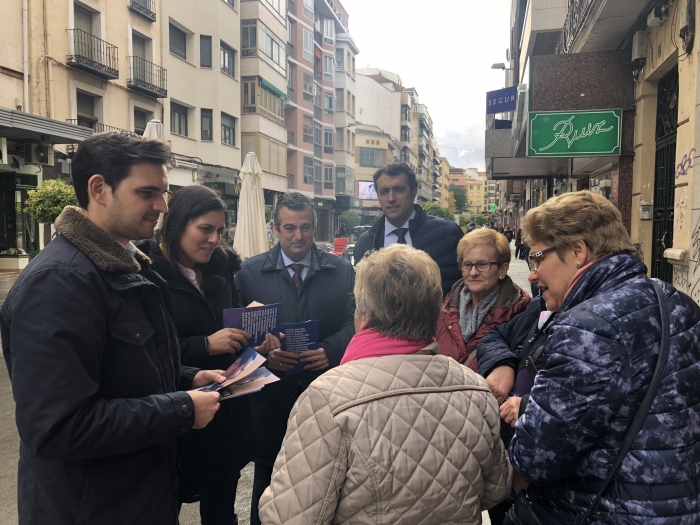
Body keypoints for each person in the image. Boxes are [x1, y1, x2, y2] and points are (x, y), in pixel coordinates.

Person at [0, 132, 223, 525]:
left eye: (164, 192)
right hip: (90, 508)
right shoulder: (59, 282)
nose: (162, 206)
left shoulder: (125, 265)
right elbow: (58, 428)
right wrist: (182, 408)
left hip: (137, 498)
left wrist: (186, 377)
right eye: (148, 193)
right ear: (99, 188)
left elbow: (122, 373)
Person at [259, 244, 512, 524]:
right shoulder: (475, 387)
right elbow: (496, 488)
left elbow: (291, 517)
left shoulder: (327, 397)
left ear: (364, 317)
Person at [508, 191, 700, 523]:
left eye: (538, 258)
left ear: (577, 252)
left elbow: (535, 457)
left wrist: (526, 413)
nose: (533, 274)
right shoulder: (677, 302)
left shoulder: (584, 327)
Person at [135, 186, 255, 525]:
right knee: (165, 502)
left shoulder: (222, 270)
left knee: (221, 507)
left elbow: (226, 327)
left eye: (219, 230)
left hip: (226, 405)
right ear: (176, 224)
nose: (215, 239)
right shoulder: (146, 273)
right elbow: (147, 348)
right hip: (174, 407)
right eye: (205, 229)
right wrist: (205, 345)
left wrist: (251, 340)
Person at [235, 192, 355, 525]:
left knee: (326, 479)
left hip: (325, 394)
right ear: (275, 228)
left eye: (305, 228)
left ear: (315, 227)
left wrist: (331, 350)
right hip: (271, 399)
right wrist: (262, 357)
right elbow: (235, 338)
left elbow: (355, 321)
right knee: (268, 483)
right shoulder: (249, 273)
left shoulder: (342, 271)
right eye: (289, 228)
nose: (298, 236)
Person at [475, 295, 557, 525]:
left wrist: (529, 406)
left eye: (539, 259)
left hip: (541, 483)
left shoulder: (588, 322)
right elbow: (495, 336)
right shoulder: (539, 306)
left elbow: (587, 393)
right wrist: (503, 363)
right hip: (509, 465)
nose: (532, 274)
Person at [352, 163, 463, 295]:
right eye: (384, 191)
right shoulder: (365, 243)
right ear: (378, 195)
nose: (391, 198)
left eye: (399, 189)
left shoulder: (448, 234)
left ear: (413, 192)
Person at [436, 228, 530, 372]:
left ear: (502, 270)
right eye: (467, 264)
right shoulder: (446, 306)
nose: (473, 273)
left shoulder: (520, 311)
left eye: (482, 265)